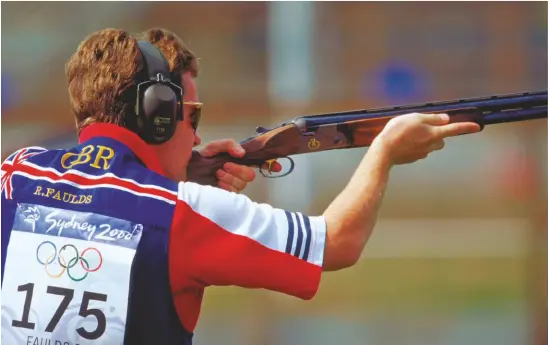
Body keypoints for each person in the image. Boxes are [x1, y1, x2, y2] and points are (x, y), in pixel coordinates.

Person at [0, 27, 481, 345]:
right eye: (193, 116)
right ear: (159, 115)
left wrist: (177, 173)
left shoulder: (17, 173)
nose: (198, 134)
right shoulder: (181, 211)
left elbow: (104, 195)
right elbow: (337, 242)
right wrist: (385, 153)